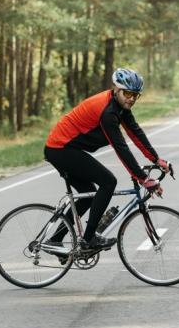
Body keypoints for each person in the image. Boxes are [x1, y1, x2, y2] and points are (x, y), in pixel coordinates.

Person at [44, 67, 169, 252]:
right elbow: (121, 148)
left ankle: (55, 240)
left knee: (88, 194)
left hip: (66, 148)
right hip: (60, 149)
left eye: (136, 95)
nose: (132, 99)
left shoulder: (120, 106)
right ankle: (88, 240)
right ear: (116, 89)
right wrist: (143, 178)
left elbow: (135, 132)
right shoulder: (108, 112)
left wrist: (156, 159)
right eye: (127, 93)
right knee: (108, 182)